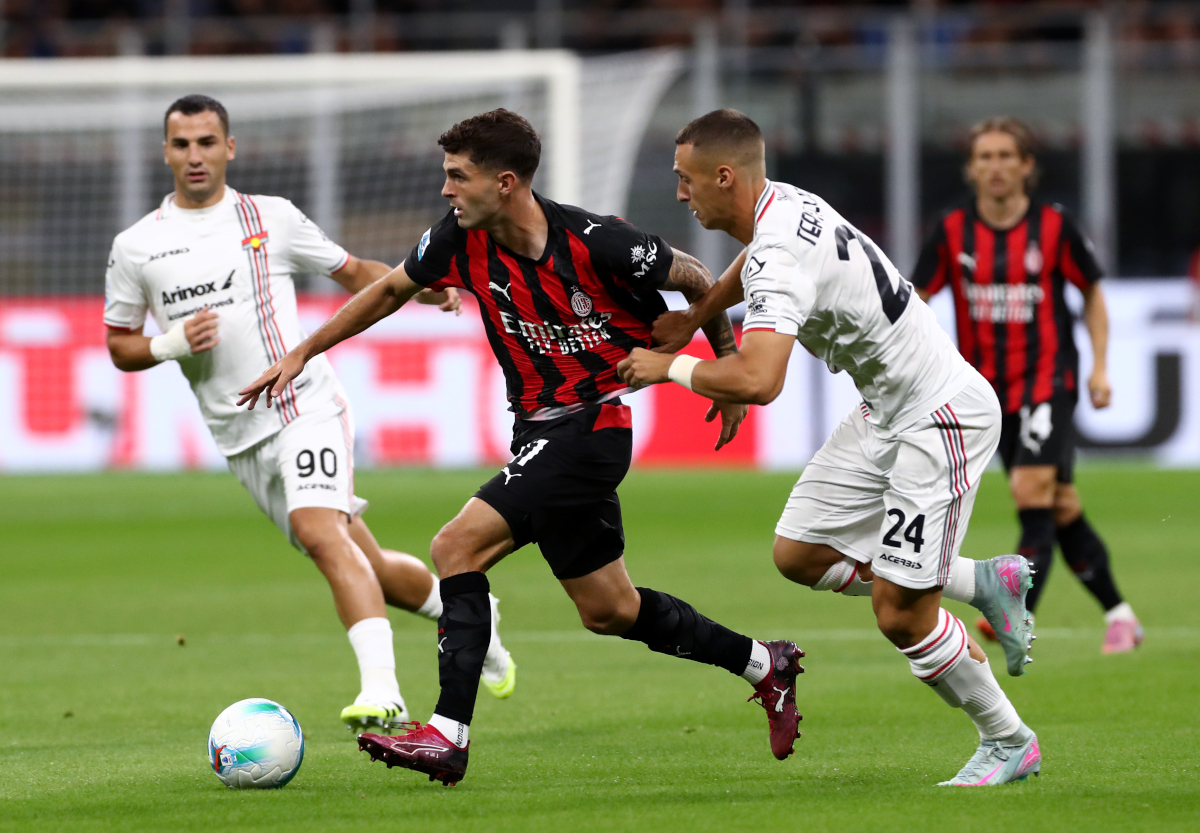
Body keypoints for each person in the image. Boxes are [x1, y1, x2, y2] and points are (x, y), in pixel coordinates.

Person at [238, 109, 805, 787]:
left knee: (455, 546)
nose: (447, 189)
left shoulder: (600, 242)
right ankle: (764, 663)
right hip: (538, 429)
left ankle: (447, 735)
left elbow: (691, 275)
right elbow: (391, 289)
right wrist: (303, 349)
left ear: (504, 182)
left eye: (458, 176)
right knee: (609, 609)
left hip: (594, 427)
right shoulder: (457, 239)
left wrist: (726, 366)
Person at [619, 109, 1040, 787]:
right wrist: (698, 318)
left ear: (724, 176)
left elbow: (760, 380)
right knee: (801, 551)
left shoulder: (779, 253)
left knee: (901, 612)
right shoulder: (782, 203)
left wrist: (667, 367)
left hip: (942, 417)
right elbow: (752, 261)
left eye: (684, 178)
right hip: (887, 410)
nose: (679, 192)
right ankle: (984, 580)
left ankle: (1008, 738)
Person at [103, 94, 515, 734]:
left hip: (303, 404)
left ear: (229, 148)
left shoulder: (269, 218)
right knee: (369, 566)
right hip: (238, 438)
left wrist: (423, 287)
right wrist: (171, 343)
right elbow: (119, 344)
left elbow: (357, 274)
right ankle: (472, 620)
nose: (195, 156)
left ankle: (383, 690)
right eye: (182, 144)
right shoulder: (137, 247)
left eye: (207, 142)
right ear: (166, 152)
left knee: (322, 534)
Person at [911, 116, 1142, 654]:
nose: (995, 167)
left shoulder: (1055, 228)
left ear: (1026, 166)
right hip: (985, 394)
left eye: (1005, 156)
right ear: (971, 169)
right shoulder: (949, 231)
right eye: (985, 157)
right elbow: (915, 301)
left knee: (1030, 490)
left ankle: (1012, 611)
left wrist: (1100, 368)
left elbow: (1093, 294)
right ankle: (1121, 615)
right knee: (1059, 505)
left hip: (1047, 381)